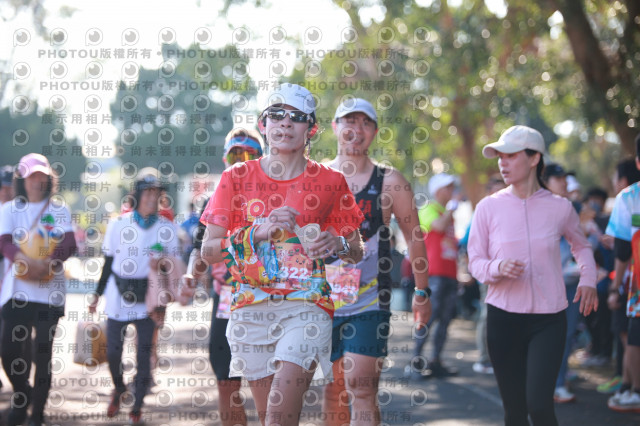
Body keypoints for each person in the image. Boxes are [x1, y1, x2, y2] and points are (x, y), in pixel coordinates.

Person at [200, 83, 365, 426]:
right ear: (263, 124)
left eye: (297, 117)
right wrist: (257, 231)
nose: (285, 123)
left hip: (306, 307)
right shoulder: (236, 178)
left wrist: (337, 244)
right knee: (271, 421)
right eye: (276, 115)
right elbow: (209, 250)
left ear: (311, 129)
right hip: (250, 308)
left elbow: (356, 250)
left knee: (277, 417)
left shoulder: (331, 181)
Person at [468, 125, 598, 426]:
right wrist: (497, 268)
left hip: (548, 319)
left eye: (511, 156)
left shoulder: (560, 207)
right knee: (514, 413)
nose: (502, 163)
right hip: (503, 318)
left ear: (534, 158)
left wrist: (589, 279)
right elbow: (475, 261)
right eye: (500, 157)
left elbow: (581, 246)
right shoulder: (488, 207)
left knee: (539, 407)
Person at [323, 98, 432, 425]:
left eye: (365, 123)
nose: (357, 130)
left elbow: (415, 237)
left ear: (374, 131)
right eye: (349, 121)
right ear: (335, 127)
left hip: (370, 301)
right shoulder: (315, 177)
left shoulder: (389, 180)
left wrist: (422, 292)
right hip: (320, 302)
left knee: (362, 387)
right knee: (332, 389)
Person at [183, 127, 264, 426]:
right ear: (225, 159)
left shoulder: (274, 196)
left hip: (267, 300)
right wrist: (192, 274)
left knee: (267, 384)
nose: (242, 162)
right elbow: (198, 249)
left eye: (250, 155)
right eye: (235, 155)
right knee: (225, 379)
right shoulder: (213, 200)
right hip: (226, 298)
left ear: (262, 158)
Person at [89, 169, 180, 424]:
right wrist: (96, 295)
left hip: (149, 296)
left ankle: (137, 406)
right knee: (113, 352)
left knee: (144, 354)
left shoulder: (166, 228)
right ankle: (119, 389)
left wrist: (163, 264)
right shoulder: (119, 224)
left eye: (156, 193)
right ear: (137, 195)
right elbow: (108, 262)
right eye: (147, 192)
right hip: (118, 293)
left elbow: (173, 266)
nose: (151, 198)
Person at [0, 153, 77, 426]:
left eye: (41, 176)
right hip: (17, 291)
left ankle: (37, 415)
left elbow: (69, 242)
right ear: (22, 180)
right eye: (31, 176)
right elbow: (4, 242)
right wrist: (24, 260)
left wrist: (48, 263)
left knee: (42, 354)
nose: (37, 181)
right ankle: (23, 394)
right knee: (9, 350)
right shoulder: (10, 209)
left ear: (49, 179)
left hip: (49, 293)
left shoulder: (59, 209)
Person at [410, 172, 460, 378]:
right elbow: (438, 227)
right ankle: (416, 362)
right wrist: (450, 210)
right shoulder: (429, 208)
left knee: (445, 320)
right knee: (428, 318)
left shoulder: (448, 214)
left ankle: (436, 361)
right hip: (434, 274)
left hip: (450, 274)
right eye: (448, 187)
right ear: (438, 190)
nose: (452, 191)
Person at [597, 159, 640, 395]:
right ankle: (625, 383)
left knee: (632, 338)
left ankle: (634, 390)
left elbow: (623, 250)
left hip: (635, 285)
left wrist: (614, 288)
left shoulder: (631, 196)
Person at [459, 174, 506, 375]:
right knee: (488, 315)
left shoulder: (512, 212)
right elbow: (465, 245)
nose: (502, 194)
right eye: (498, 190)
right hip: (488, 275)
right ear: (489, 192)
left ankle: (501, 357)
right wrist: (473, 271)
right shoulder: (482, 212)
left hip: (509, 274)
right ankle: (484, 359)